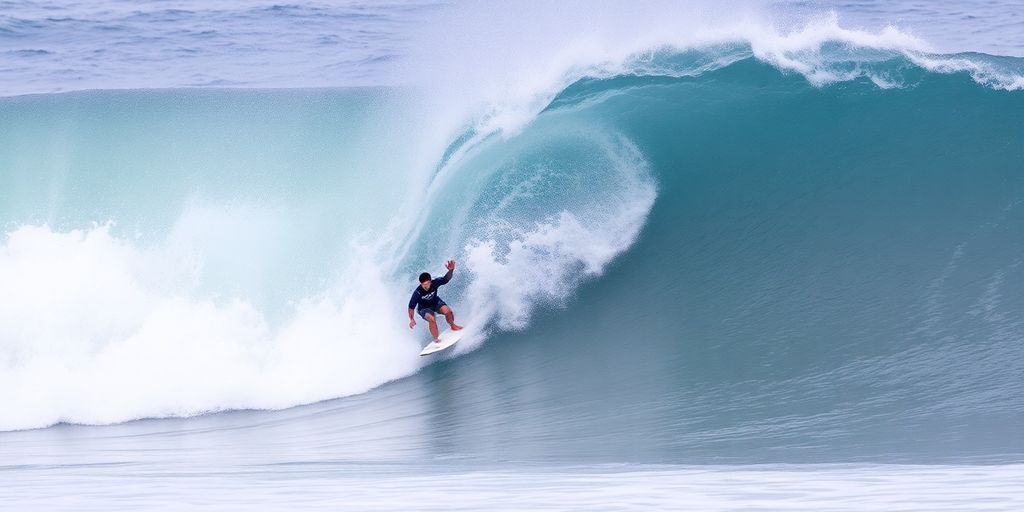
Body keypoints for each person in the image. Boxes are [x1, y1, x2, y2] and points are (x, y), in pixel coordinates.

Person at [408, 260, 463, 342]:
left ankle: (453, 325)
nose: (426, 286)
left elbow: (446, 279)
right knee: (432, 319)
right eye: (424, 285)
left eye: (428, 284)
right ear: (420, 283)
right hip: (423, 308)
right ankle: (436, 338)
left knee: (448, 312)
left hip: (435, 302)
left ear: (431, 281)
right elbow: (411, 307)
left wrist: (451, 270)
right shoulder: (417, 293)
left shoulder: (435, 283)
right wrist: (411, 319)